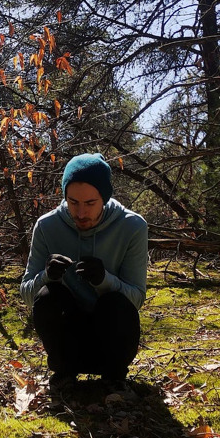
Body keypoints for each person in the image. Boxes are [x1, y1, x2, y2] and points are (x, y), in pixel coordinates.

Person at [20, 153, 148, 392]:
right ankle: (64, 375)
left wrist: (105, 281)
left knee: (116, 303)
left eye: (90, 203)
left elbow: (136, 300)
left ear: (105, 198)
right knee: (48, 295)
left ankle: (113, 378)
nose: (80, 213)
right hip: (67, 342)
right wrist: (47, 276)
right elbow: (28, 295)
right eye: (73, 202)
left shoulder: (132, 227)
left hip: (112, 340)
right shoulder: (47, 226)